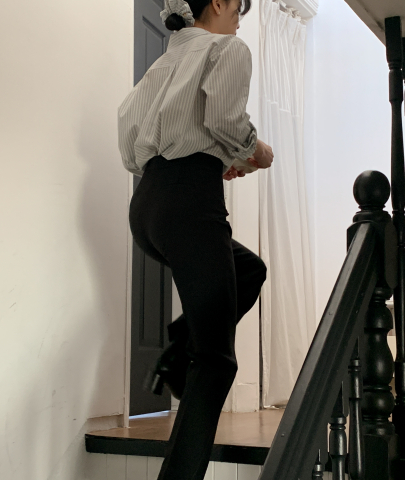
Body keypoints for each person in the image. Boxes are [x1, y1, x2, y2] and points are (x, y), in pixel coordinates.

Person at [118, 0, 274, 478]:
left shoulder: (161, 65)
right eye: (239, 8)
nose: (239, 19)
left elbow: (132, 148)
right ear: (219, 2)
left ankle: (174, 354)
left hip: (148, 206)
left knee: (249, 269)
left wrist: (215, 160)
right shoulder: (228, 49)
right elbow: (225, 121)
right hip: (190, 204)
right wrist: (256, 150)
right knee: (216, 361)